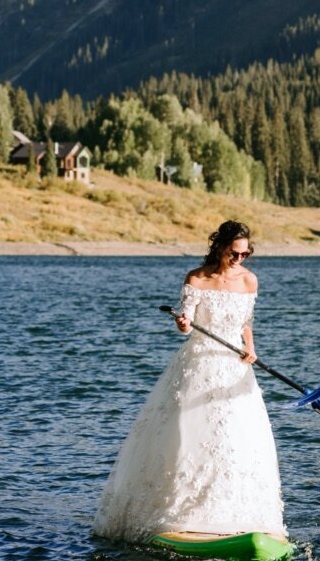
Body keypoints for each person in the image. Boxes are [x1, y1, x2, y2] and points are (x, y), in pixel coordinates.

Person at [94, 220, 286, 543]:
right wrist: (184, 323)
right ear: (221, 248)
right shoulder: (196, 278)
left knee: (238, 440)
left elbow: (245, 322)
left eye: (245, 254)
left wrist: (250, 348)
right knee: (190, 435)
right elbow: (186, 325)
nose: (240, 259)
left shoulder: (250, 281)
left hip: (234, 367)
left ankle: (240, 513)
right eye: (234, 253)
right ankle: (182, 515)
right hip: (199, 363)